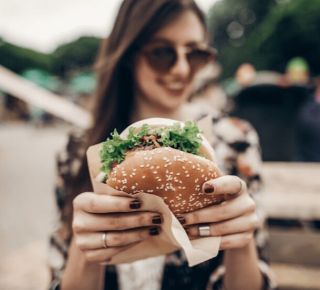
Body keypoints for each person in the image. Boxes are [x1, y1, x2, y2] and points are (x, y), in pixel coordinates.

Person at [48, 1, 277, 289]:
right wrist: (85, 253)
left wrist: (241, 243)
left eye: (195, 54)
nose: (182, 69)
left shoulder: (235, 141)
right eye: (161, 53)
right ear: (129, 55)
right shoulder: (77, 151)